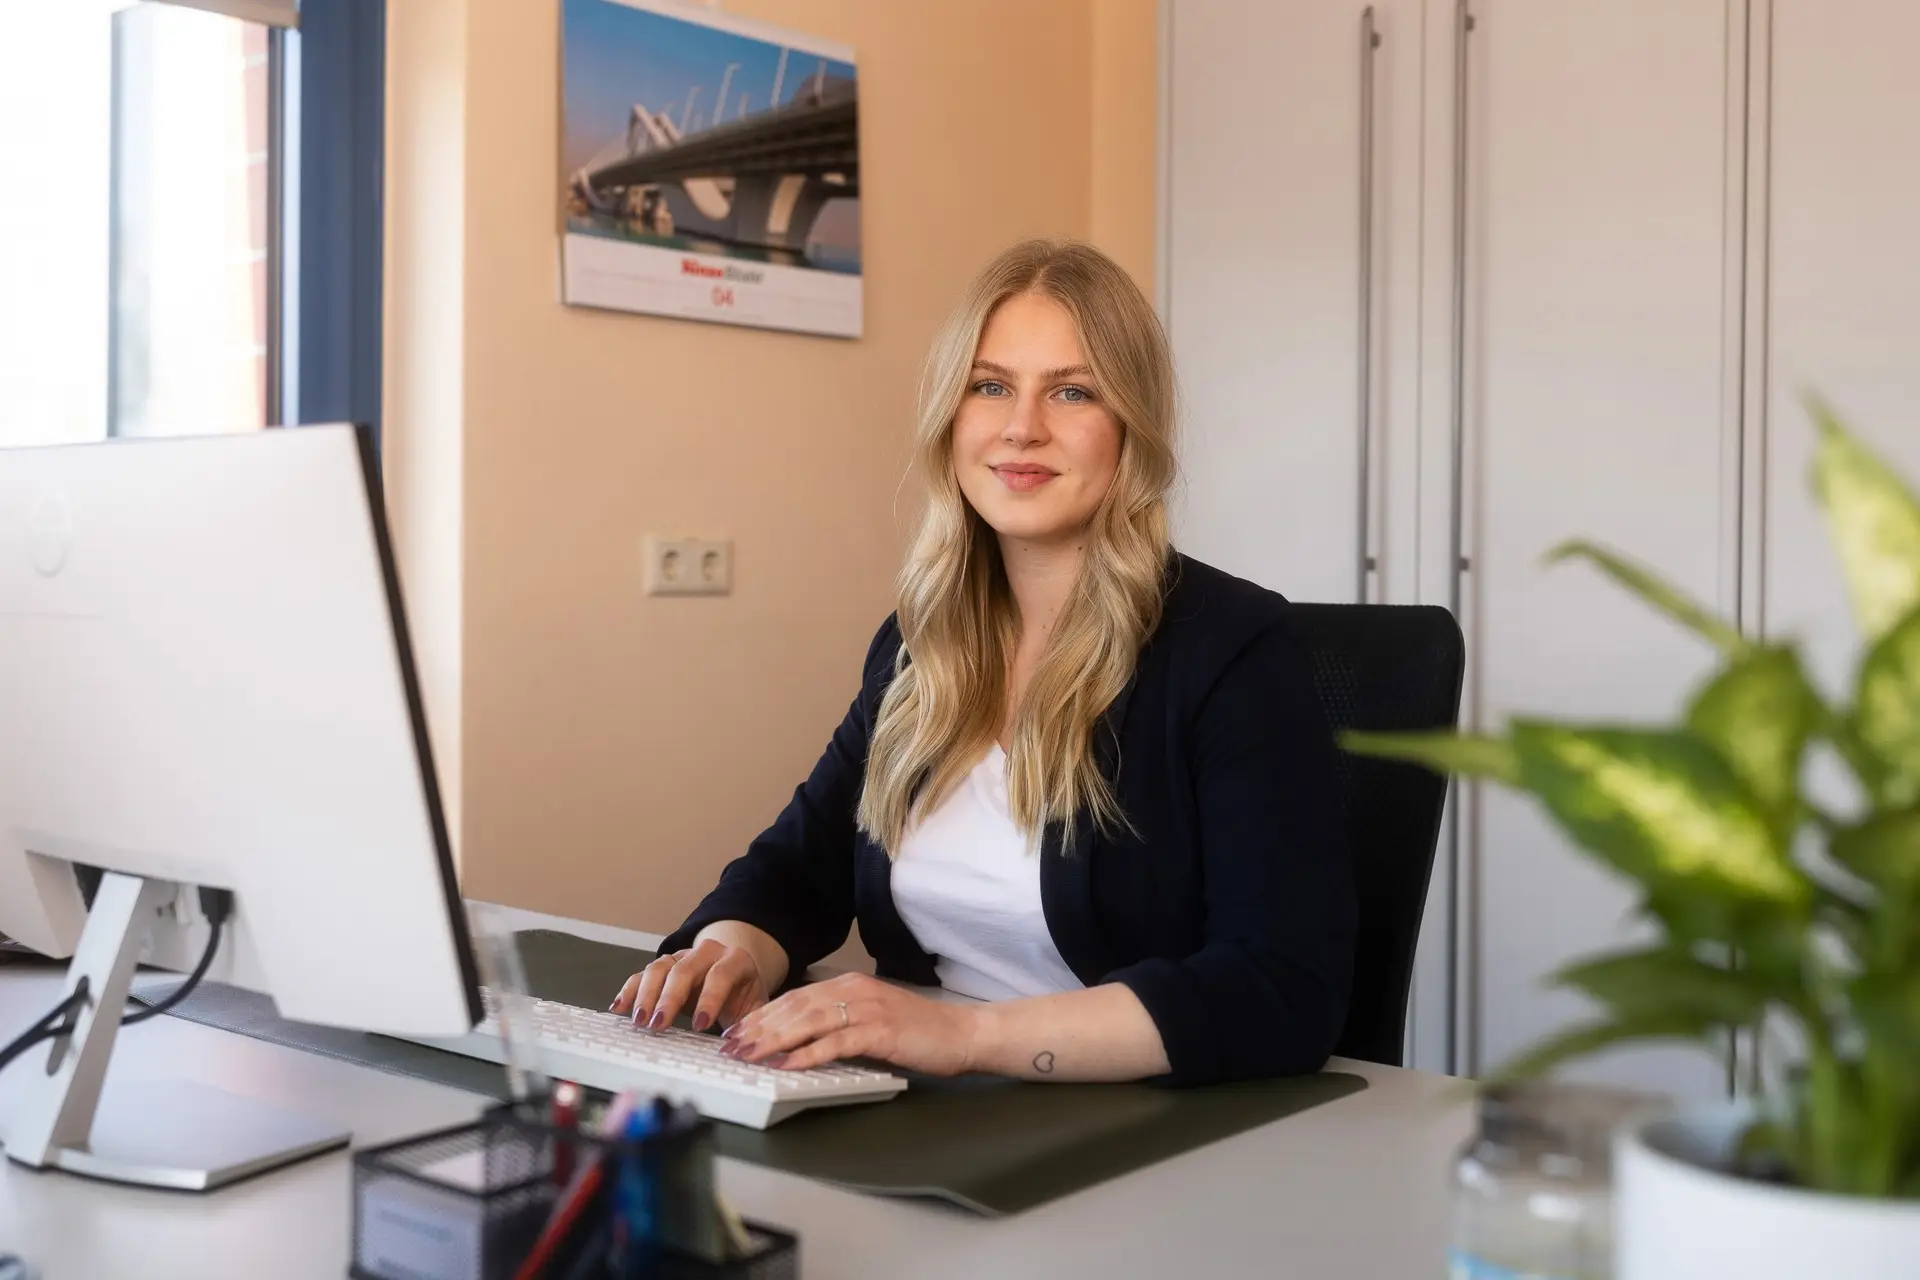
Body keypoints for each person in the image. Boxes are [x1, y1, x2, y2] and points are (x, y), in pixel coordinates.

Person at [609, 239, 1353, 1086]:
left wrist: (964, 1038)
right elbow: (798, 866)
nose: (1020, 427)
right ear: (951, 418)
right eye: (990, 386)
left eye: (1072, 391)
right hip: (936, 1109)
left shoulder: (1236, 650)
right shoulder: (920, 645)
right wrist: (729, 949)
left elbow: (1283, 988)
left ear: (1130, 427)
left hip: (1145, 1129)